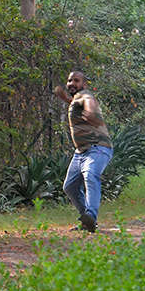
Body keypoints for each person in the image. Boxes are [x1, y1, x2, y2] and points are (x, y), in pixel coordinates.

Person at [54, 71, 114, 233]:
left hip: (97, 148)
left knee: (90, 175)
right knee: (70, 187)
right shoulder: (76, 99)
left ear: (84, 84)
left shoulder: (86, 96)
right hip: (80, 152)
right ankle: (87, 221)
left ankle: (91, 215)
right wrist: (65, 99)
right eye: (69, 80)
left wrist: (91, 114)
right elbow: (76, 104)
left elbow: (90, 105)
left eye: (76, 80)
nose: (72, 83)